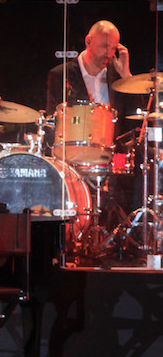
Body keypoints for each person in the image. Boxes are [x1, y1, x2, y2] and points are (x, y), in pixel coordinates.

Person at [46, 19, 143, 221]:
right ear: (88, 41)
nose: (109, 53)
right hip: (73, 157)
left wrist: (126, 76)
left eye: (114, 48)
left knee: (144, 159)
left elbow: (137, 119)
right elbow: (52, 123)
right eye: (104, 46)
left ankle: (128, 230)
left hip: (110, 157)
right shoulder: (60, 74)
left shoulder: (117, 77)